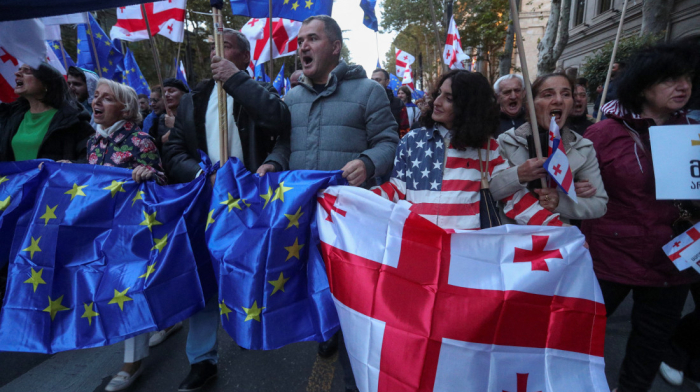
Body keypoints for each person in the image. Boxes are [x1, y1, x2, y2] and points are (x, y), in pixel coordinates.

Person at [258, 15, 398, 392]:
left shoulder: (369, 91)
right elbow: (284, 146)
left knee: (355, 288)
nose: (302, 46)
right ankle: (327, 329)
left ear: (335, 47)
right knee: (316, 279)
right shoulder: (291, 97)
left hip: (350, 218)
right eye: (300, 40)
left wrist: (368, 163)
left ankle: (361, 358)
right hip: (304, 216)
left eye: (312, 39)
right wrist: (274, 162)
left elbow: (389, 141)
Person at [163, 27, 290, 391]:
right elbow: (174, 152)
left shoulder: (260, 92)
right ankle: (202, 360)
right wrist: (203, 175)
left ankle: (245, 326)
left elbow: (278, 122)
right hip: (205, 201)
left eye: (227, 46)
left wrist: (236, 82)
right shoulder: (192, 100)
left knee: (245, 273)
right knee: (204, 277)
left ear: (245, 58)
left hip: (249, 204)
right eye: (212, 47)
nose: (215, 52)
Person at [581, 43, 699, 392]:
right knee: (582, 332)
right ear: (643, 85)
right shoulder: (604, 134)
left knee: (652, 339)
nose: (683, 87)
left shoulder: (693, 133)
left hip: (673, 261)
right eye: (669, 80)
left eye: (687, 79)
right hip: (610, 259)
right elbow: (576, 191)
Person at [373, 69, 563, 230]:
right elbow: (396, 189)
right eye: (439, 93)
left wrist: (557, 228)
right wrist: (353, 200)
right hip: (419, 242)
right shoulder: (412, 140)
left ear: (468, 107)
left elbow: (515, 199)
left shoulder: (488, 147)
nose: (437, 102)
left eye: (449, 98)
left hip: (466, 251)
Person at [77, 79, 165, 391]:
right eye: (95, 96)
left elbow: (162, 182)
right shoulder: (93, 143)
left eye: (106, 98)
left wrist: (148, 174)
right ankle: (168, 321)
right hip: (102, 230)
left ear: (125, 109)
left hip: (134, 231)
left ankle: (132, 363)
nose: (96, 102)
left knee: (126, 290)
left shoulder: (141, 141)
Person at [497, 73, 607, 225]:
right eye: (548, 94)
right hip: (514, 241)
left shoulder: (583, 148)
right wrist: (519, 175)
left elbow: (599, 205)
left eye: (566, 94)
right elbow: (488, 191)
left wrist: (560, 201)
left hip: (558, 242)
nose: (558, 100)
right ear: (530, 103)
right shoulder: (506, 142)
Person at [0, 63, 93, 162]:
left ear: (46, 83)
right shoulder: (9, 116)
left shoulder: (73, 119)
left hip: (53, 178)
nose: (17, 73)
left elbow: (91, 156)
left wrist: (70, 165)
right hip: (15, 178)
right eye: (19, 70)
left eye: (27, 71)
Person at [150, 78, 188, 153]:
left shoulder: (193, 116)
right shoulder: (157, 120)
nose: (166, 95)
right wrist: (162, 139)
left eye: (171, 91)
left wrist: (175, 125)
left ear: (183, 94)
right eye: (164, 92)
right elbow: (150, 147)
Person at [370, 68, 409, 137]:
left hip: (392, 143)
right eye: (372, 80)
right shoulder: (365, 101)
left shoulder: (398, 104)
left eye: (378, 80)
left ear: (387, 82)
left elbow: (404, 129)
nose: (374, 83)